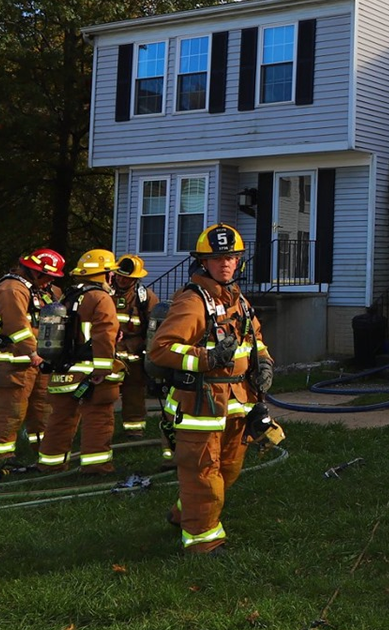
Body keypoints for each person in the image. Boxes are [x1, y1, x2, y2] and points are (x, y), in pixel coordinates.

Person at [149, 223, 275, 554]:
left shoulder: (239, 300)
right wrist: (207, 358)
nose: (225, 264)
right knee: (204, 475)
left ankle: (184, 512)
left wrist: (264, 363)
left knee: (228, 470)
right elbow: (161, 349)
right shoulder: (192, 302)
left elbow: (255, 340)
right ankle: (203, 542)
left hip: (236, 404)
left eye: (231, 257)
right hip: (199, 406)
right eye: (218, 258)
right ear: (203, 262)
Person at [37, 249, 122, 475]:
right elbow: (104, 333)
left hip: (63, 369)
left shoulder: (68, 296)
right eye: (111, 273)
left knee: (60, 418)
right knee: (98, 417)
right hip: (90, 372)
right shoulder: (101, 298)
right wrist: (103, 368)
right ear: (105, 274)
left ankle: (50, 464)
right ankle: (96, 466)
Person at [0, 248, 65, 465]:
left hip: (38, 361)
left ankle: (43, 448)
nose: (50, 281)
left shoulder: (42, 290)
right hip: (13, 362)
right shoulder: (11, 289)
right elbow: (16, 326)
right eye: (48, 276)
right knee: (9, 409)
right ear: (35, 272)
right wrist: (32, 351)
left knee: (43, 407)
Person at [111, 253, 155, 436]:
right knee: (105, 393)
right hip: (108, 354)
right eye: (119, 275)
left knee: (134, 393)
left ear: (136, 279)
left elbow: (153, 328)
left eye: (127, 278)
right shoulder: (104, 294)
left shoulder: (145, 297)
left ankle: (134, 431)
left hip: (134, 355)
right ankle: (102, 430)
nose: (121, 280)